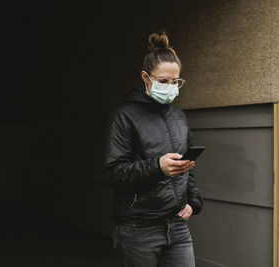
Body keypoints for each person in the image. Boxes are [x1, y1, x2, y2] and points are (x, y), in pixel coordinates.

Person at [102, 31, 203, 267]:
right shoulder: (124, 116)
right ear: (145, 78)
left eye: (175, 81)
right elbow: (112, 173)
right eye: (163, 81)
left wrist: (193, 201)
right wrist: (157, 166)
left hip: (177, 224)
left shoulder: (178, 116)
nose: (171, 87)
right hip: (138, 228)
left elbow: (186, 167)